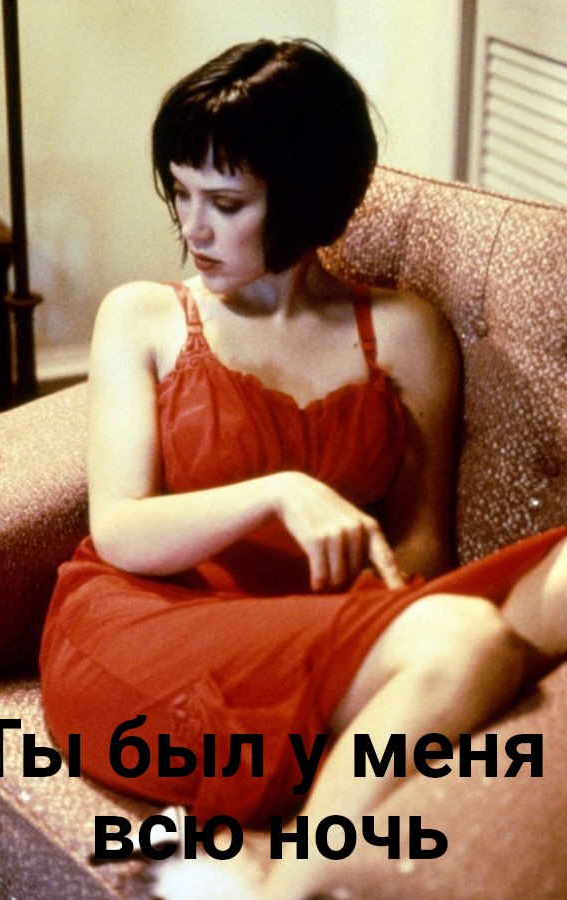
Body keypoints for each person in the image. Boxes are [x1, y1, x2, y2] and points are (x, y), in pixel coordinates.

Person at [39, 38, 567, 899]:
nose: (192, 229)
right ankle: (286, 891)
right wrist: (279, 494)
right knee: (467, 642)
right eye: (181, 192)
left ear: (307, 197)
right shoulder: (142, 316)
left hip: (321, 623)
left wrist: (365, 625)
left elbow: (422, 546)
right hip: (143, 627)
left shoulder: (405, 333)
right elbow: (122, 529)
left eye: (226, 202)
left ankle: (282, 863)